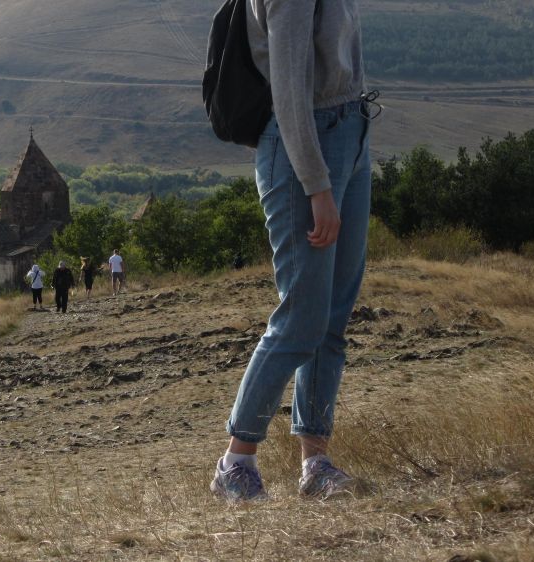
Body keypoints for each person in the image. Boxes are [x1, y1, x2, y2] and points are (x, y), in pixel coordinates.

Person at [210, 0, 374, 502]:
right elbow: (288, 86)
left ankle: (316, 464)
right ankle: (235, 462)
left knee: (331, 318)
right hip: (305, 144)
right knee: (301, 317)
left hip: (351, 131)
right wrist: (317, 185)